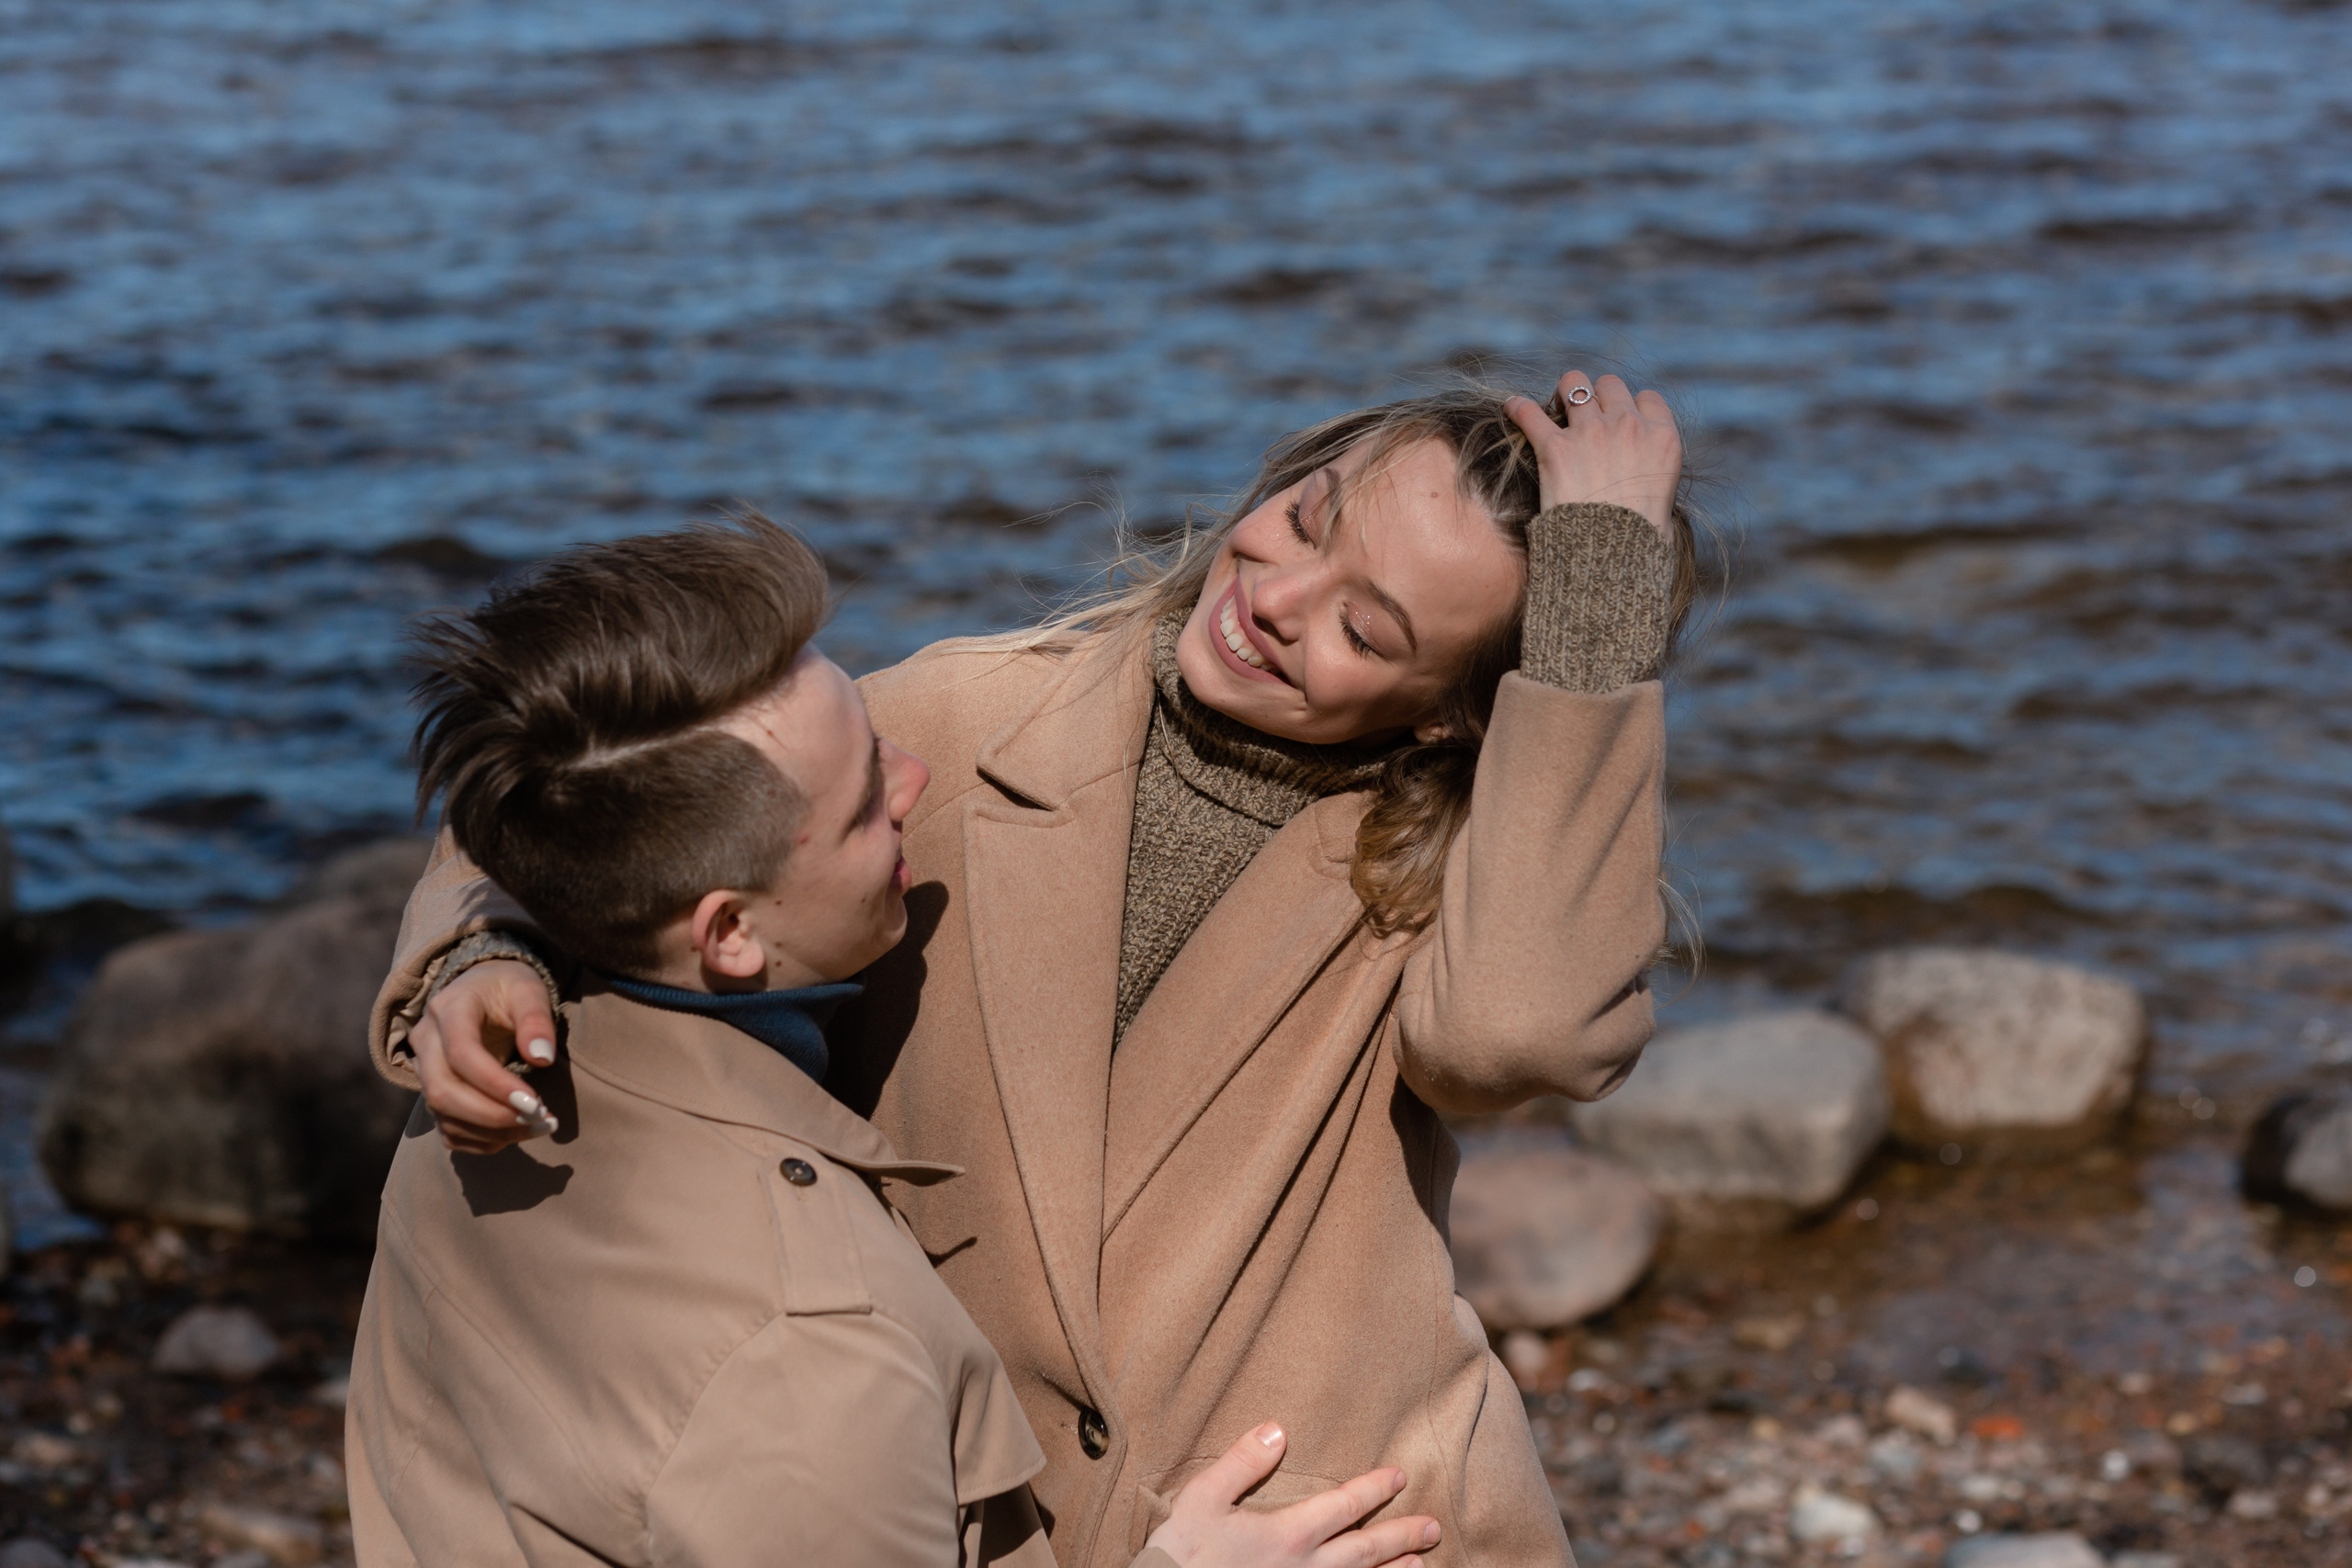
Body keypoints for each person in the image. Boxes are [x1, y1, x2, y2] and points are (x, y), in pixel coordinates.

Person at [373, 368, 1693, 1566]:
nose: (1277, 599)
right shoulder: (954, 722)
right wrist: (475, 947)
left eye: (1368, 626)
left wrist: (1596, 613)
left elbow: (1519, 1035)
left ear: (1456, 708)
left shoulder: (1448, 877)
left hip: (1352, 1520)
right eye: (1305, 517)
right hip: (991, 1506)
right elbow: (586, 780)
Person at [346, 516, 1442, 1568]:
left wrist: (477, 943)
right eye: (869, 796)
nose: (918, 781)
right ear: (728, 933)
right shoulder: (815, 1355)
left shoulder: (485, 1053)